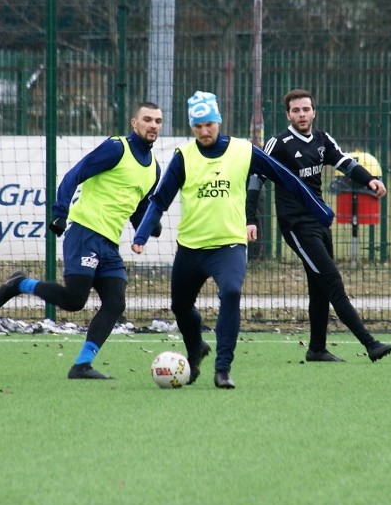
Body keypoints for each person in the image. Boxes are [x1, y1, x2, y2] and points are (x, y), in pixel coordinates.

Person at [132, 91, 335, 389]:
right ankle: (195, 349)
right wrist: (140, 235)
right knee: (180, 306)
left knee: (230, 292)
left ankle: (223, 368)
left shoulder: (242, 151)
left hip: (229, 246)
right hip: (191, 248)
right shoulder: (183, 157)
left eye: (209, 124)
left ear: (219, 121)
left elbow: (287, 178)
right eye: (198, 126)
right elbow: (159, 201)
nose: (204, 131)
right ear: (192, 127)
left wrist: (319, 209)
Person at [0, 102, 164, 379]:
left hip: (108, 243)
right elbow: (74, 175)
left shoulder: (153, 169)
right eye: (147, 119)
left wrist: (148, 225)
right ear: (134, 123)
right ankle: (20, 284)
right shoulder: (116, 148)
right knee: (74, 300)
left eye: (157, 121)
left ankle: (82, 365)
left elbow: (139, 208)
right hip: (85, 233)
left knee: (115, 303)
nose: (153, 125)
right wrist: (60, 212)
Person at [252, 88, 391, 363]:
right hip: (296, 226)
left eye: (306, 109)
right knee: (331, 280)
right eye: (296, 110)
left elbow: (345, 162)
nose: (302, 115)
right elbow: (256, 177)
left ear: (313, 112)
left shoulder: (321, 140)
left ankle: (317, 348)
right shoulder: (277, 143)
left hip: (319, 221)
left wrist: (369, 180)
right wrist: (249, 218)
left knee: (319, 287)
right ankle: (370, 343)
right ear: (288, 115)